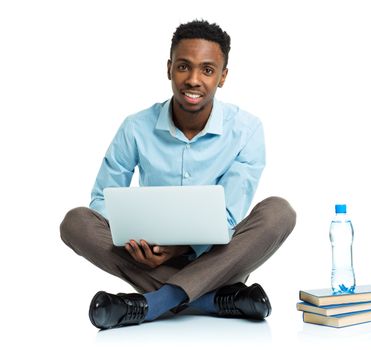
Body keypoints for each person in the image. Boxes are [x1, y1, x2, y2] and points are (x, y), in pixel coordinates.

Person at [60, 19, 296, 330]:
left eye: (207, 70)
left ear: (223, 77)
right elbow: (102, 199)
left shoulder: (247, 130)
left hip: (219, 259)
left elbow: (228, 218)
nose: (194, 80)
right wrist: (138, 242)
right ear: (169, 68)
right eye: (184, 67)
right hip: (147, 256)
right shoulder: (135, 127)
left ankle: (152, 303)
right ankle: (215, 300)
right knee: (75, 222)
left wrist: (184, 247)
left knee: (280, 212)